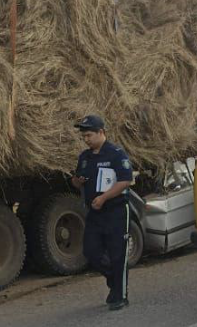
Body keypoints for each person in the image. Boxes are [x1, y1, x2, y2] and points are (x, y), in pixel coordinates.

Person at [72, 115, 133, 311]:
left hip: (115, 211)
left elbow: (125, 181)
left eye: (89, 135)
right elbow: (76, 180)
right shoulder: (85, 157)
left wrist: (104, 198)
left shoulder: (116, 154)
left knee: (118, 255)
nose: (86, 139)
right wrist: (78, 181)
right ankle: (114, 281)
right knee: (91, 252)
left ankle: (120, 296)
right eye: (84, 136)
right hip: (95, 213)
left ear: (101, 132)